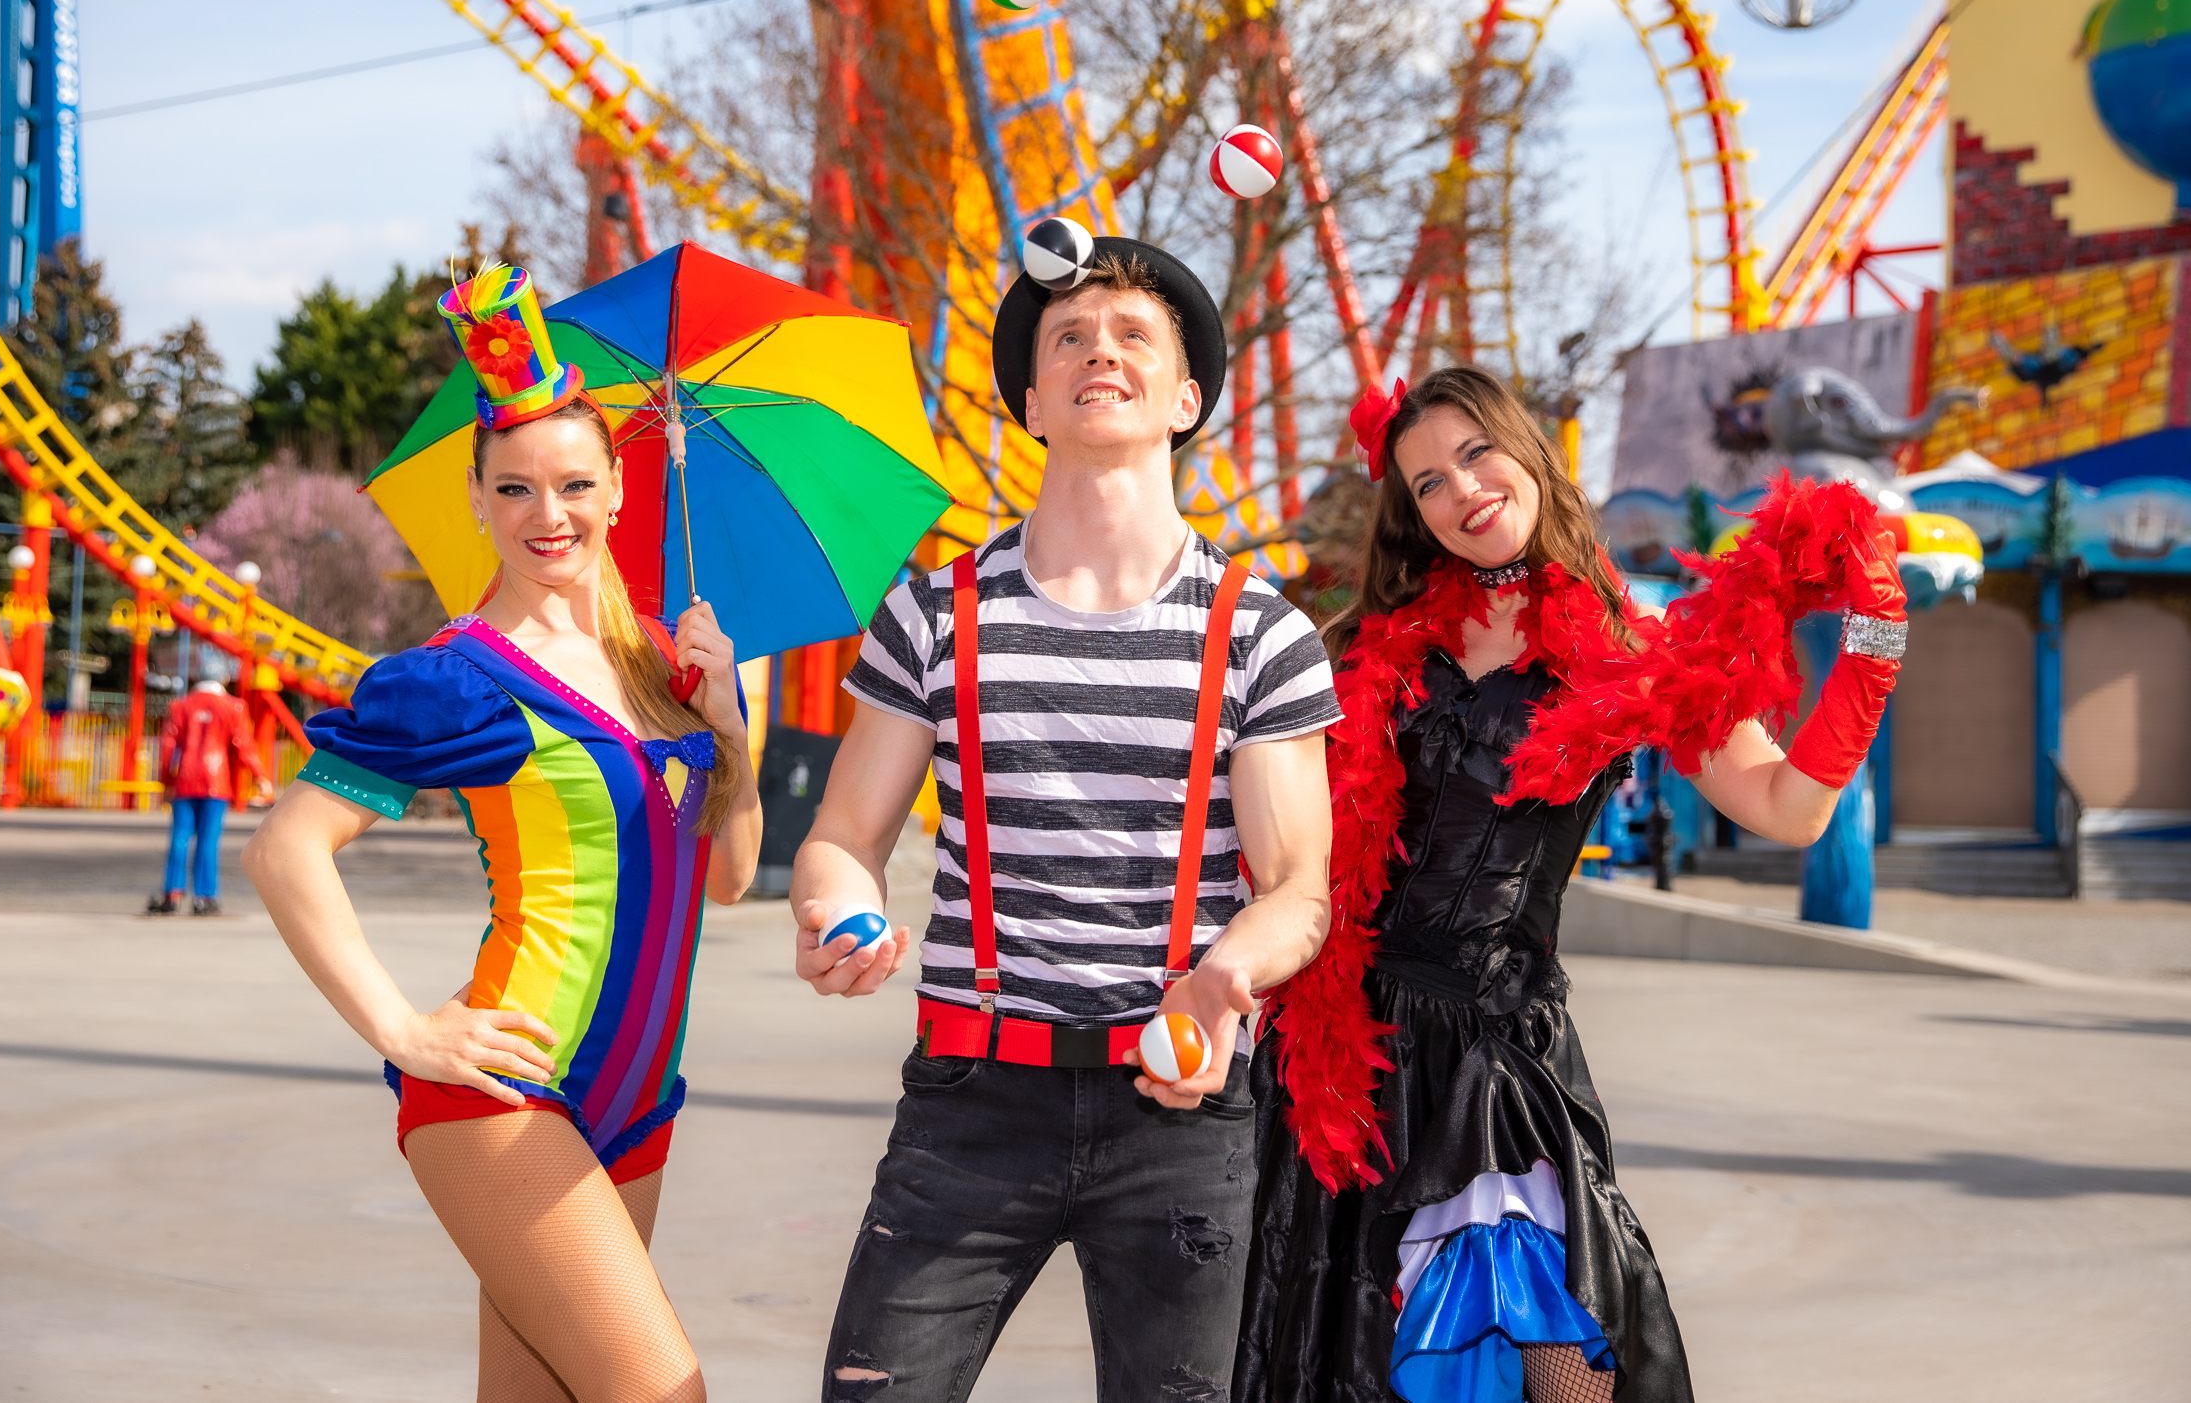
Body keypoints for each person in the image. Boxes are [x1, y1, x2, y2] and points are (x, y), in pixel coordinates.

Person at [1236, 367, 1908, 1403]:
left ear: (1528, 451)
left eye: (1475, 453)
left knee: (1564, 1348)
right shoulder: (1368, 647)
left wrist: (1874, 643)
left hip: (1497, 1060)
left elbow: (1790, 808)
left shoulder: (1634, 649)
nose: (1461, 489)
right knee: (1339, 1353)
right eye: (1427, 482)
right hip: (1342, 1047)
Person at [792, 239, 1339, 1401]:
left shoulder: (1262, 633)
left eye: (1135, 334)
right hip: (971, 1099)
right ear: (1033, 402)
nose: (1102, 351)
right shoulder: (932, 615)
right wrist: (836, 909)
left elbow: (1298, 886)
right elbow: (844, 835)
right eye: (1070, 337)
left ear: (1186, 398)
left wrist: (1225, 973)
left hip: (1181, 1109)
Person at [243, 263, 761, 1403]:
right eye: (515, 488)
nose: (548, 513)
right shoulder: (459, 681)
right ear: (477, 499)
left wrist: (727, 725)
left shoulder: (666, 667)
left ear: (617, 490)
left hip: (640, 1099)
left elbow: (727, 877)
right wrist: (402, 1029)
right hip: (510, 1092)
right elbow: (286, 847)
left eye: (573, 483)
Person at [147, 677, 269, 916]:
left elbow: (168, 746)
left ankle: (172, 894)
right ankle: (204, 897)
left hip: (185, 780)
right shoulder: (233, 706)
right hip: (217, 782)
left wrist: (166, 780)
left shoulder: (180, 706)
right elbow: (243, 744)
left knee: (179, 838)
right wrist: (260, 776)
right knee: (208, 840)